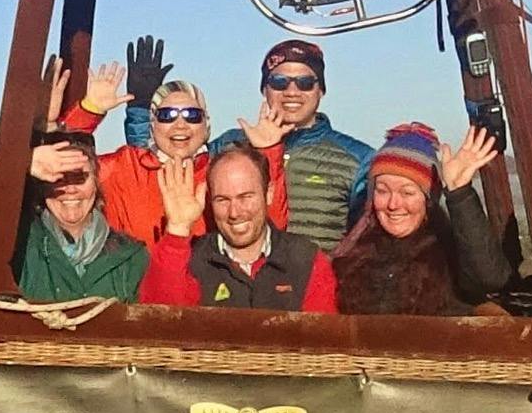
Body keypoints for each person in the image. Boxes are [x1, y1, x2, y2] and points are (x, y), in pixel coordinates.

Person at [54, 48, 291, 242]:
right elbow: (61, 164)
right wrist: (89, 111)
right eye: (167, 115)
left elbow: (271, 227)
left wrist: (269, 151)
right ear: (153, 124)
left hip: (204, 296)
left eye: (192, 115)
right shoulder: (123, 166)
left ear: (207, 125)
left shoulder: (221, 172)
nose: (180, 124)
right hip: (133, 296)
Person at [331, 123, 514, 316]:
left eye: (407, 192)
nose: (393, 204)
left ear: (428, 200)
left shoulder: (449, 253)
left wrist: (460, 194)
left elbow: (490, 277)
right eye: (382, 191)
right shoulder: (353, 253)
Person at [0, 130, 146, 301]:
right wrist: (21, 163)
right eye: (59, 178)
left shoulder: (130, 257)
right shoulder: (16, 248)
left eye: (80, 177)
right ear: (42, 186)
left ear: (96, 184)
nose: (70, 189)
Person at [209, 38, 373, 248]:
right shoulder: (228, 146)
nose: (292, 92)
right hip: (237, 278)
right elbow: (171, 163)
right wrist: (152, 111)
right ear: (264, 89)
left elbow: (368, 240)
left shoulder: (358, 158)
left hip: (318, 278)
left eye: (305, 83)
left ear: (320, 90)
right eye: (279, 82)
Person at [137, 144, 338, 311]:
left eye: (245, 197)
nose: (234, 212)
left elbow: (321, 341)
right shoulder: (192, 259)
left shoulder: (305, 259)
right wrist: (177, 229)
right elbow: (161, 323)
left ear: (268, 193)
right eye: (222, 200)